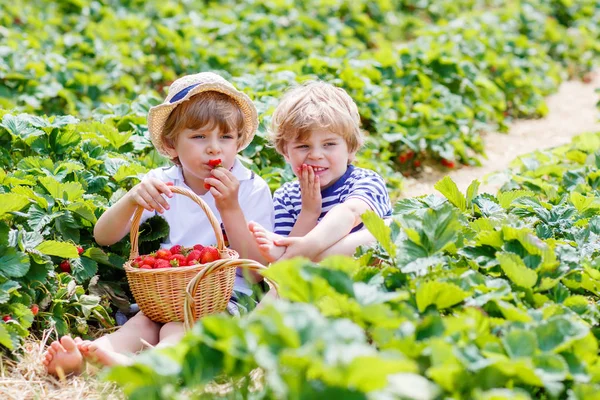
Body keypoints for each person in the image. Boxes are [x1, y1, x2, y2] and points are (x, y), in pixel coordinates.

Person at [42, 72, 274, 376]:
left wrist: (230, 208)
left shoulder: (251, 188)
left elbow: (257, 273)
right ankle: (95, 356)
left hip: (223, 296)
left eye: (225, 137)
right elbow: (104, 236)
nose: (214, 148)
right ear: (171, 143)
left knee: (177, 329)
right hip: (163, 292)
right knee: (143, 323)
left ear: (239, 141)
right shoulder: (161, 184)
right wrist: (132, 199)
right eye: (199, 136)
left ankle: (150, 368)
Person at [249, 80, 392, 263]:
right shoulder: (286, 197)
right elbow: (287, 242)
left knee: (389, 228)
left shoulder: (365, 180)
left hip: (363, 273)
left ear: (351, 148)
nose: (316, 155)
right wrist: (309, 211)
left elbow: (351, 212)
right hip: (314, 280)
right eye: (303, 146)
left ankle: (305, 258)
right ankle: (304, 260)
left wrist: (308, 246)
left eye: (329, 144)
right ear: (286, 153)